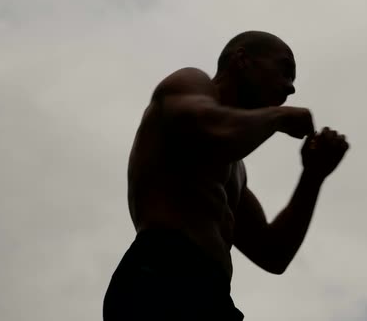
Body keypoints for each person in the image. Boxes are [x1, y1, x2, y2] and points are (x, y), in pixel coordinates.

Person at [103, 30, 350, 321]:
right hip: (161, 275)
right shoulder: (189, 82)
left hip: (211, 293)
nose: (291, 88)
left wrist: (313, 175)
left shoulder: (233, 166)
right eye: (285, 70)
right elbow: (209, 129)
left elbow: (273, 253)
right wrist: (279, 117)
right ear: (242, 60)